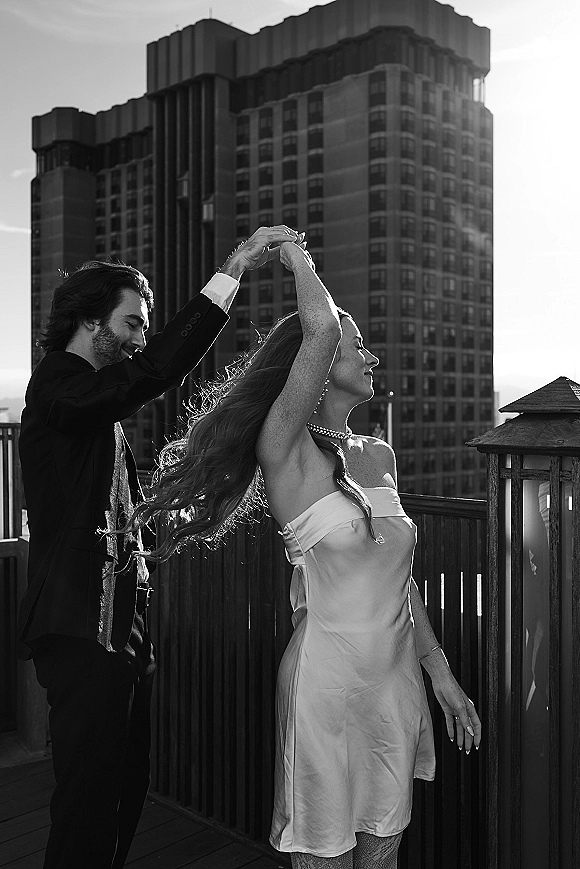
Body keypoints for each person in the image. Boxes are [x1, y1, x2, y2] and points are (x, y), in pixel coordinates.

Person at [129, 240, 482, 869]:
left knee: (382, 857)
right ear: (317, 364)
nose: (371, 357)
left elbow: (399, 583)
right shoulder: (286, 452)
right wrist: (293, 254)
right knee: (324, 859)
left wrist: (441, 673)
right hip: (325, 689)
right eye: (357, 347)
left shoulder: (377, 454)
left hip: (394, 686)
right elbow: (320, 327)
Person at [16, 224, 298, 869]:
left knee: (124, 786)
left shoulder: (91, 403)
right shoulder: (57, 387)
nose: (141, 338)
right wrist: (233, 270)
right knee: (86, 800)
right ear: (90, 322)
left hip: (122, 630)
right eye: (133, 323)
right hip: (79, 630)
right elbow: (156, 371)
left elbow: (109, 508)